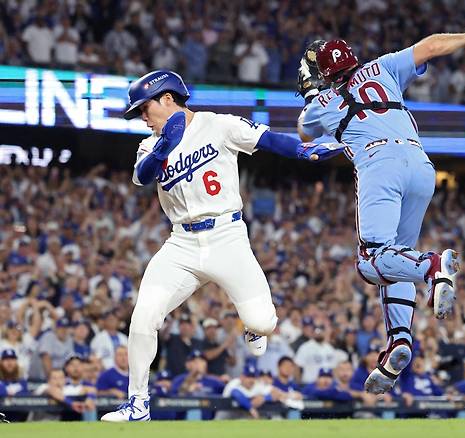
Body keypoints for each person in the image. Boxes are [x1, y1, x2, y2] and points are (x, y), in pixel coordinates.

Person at [101, 69, 343, 422]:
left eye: (144, 108)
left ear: (167, 99)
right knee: (143, 317)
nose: (142, 116)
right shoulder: (151, 144)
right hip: (181, 243)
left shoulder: (217, 124)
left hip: (226, 237)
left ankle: (252, 326)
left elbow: (266, 139)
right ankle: (138, 403)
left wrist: (303, 151)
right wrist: (165, 146)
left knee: (263, 323)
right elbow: (142, 176)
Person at [295, 31, 465, 394]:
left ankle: (432, 266)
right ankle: (399, 338)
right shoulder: (382, 67)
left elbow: (305, 134)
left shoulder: (321, 101)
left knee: (371, 261)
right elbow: (430, 46)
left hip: (379, 162)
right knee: (396, 256)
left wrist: (311, 95)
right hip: (420, 163)